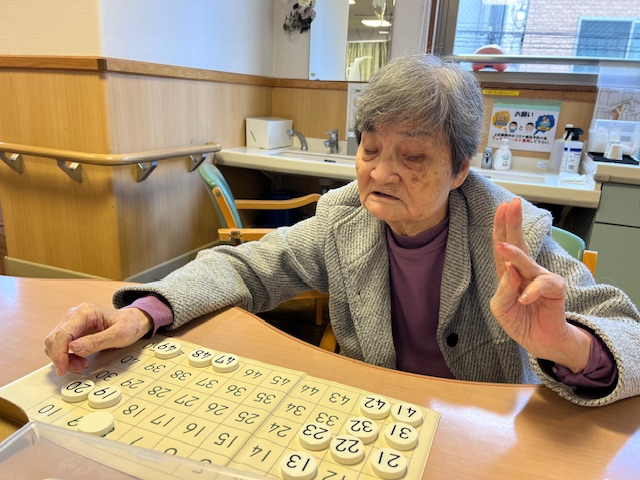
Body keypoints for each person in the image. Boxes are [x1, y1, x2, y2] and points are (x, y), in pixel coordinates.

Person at [45, 53, 640, 407]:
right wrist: (142, 313)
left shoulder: (508, 231)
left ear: (461, 168)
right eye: (369, 148)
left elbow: (627, 334)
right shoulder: (344, 216)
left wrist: (567, 345)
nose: (379, 173)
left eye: (413, 157)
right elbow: (246, 266)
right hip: (371, 415)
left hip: (479, 428)